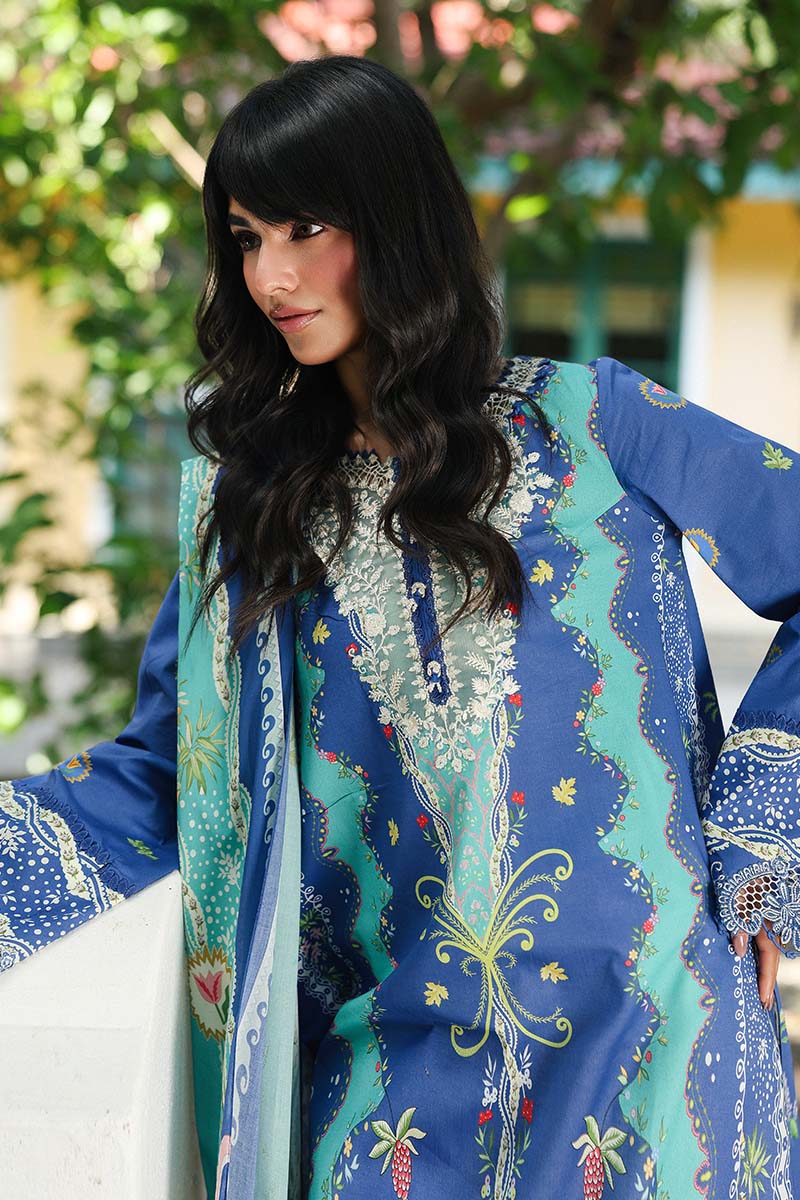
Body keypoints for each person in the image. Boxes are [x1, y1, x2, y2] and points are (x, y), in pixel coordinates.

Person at [1, 53, 799, 1200]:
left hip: (656, 1053)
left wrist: (759, 840)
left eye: (305, 228)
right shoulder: (253, 512)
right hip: (397, 1079)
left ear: (396, 221)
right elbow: (171, 777)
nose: (271, 276)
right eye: (245, 238)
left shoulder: (592, 422)